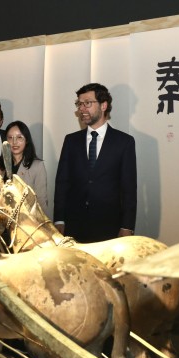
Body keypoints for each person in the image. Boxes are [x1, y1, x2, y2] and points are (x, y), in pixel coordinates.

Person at [53, 83, 137, 243]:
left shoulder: (124, 142)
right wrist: (59, 219)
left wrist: (127, 226)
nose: (81, 109)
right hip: (74, 225)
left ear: (103, 105)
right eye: (79, 104)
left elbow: (129, 189)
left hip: (109, 225)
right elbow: (62, 183)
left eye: (87, 103)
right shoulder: (71, 141)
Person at [0, 120, 48, 211]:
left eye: (19, 137)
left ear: (26, 140)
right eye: (10, 138)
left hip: (26, 218)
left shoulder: (37, 166)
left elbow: (41, 202)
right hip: (2, 216)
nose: (14, 142)